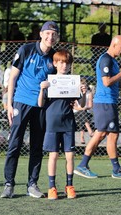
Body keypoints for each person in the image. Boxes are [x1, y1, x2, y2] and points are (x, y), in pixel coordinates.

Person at [0, 21, 59, 199]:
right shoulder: (25, 50)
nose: (50, 37)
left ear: (57, 37)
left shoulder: (55, 57)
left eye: (54, 34)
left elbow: (59, 83)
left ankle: (32, 184)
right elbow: (12, 78)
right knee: (14, 144)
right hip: (21, 103)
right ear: (41, 34)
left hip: (41, 106)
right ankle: (9, 184)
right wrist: (9, 104)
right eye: (47, 33)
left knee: (37, 147)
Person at [74, 35, 121, 180]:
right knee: (102, 134)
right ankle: (87, 165)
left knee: (110, 134)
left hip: (109, 103)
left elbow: (115, 82)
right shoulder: (106, 59)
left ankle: (113, 168)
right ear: (114, 45)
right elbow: (107, 82)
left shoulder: (113, 61)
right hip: (105, 103)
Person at [37, 49, 77, 200]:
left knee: (70, 155)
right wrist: (42, 89)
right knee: (53, 155)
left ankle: (69, 186)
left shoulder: (73, 82)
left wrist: (84, 92)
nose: (64, 66)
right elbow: (40, 103)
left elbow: (82, 103)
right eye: (60, 62)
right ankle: (52, 187)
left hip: (68, 123)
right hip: (52, 122)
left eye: (67, 63)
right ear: (55, 63)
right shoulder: (49, 81)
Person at [73, 79, 94, 144]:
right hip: (77, 112)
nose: (83, 89)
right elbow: (74, 107)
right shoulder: (76, 94)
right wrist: (82, 109)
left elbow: (90, 106)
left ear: (87, 86)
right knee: (82, 113)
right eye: (81, 87)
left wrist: (84, 108)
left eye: (84, 87)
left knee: (82, 114)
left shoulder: (89, 93)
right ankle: (89, 130)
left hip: (87, 112)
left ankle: (82, 137)